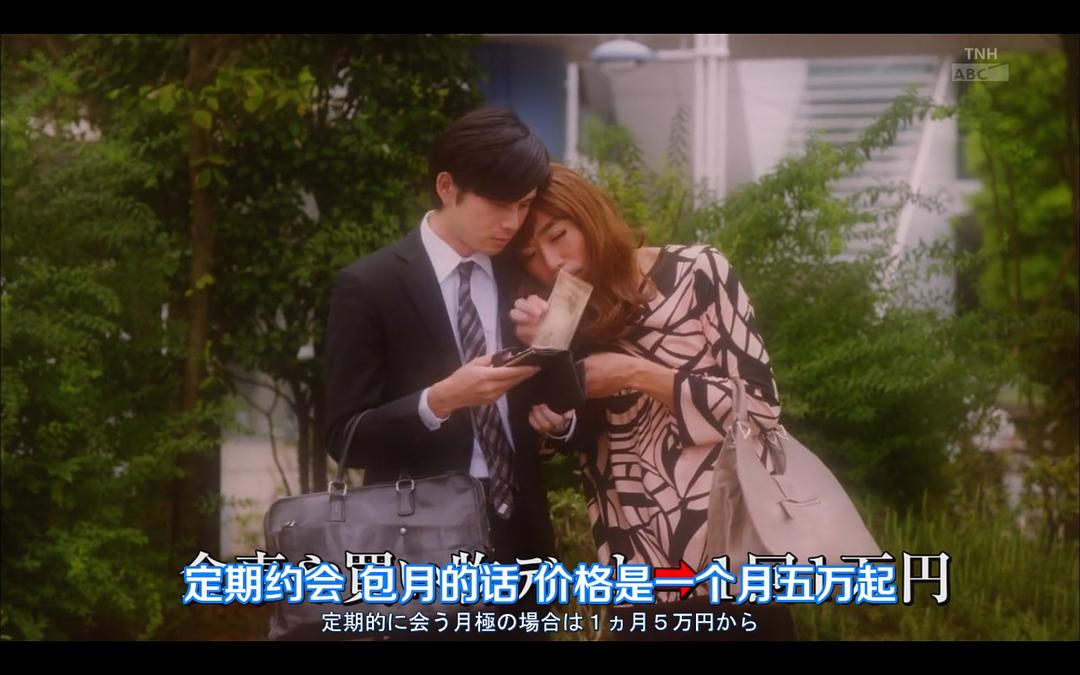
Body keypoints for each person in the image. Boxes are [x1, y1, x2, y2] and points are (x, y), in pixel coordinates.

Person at [510, 164, 796, 640]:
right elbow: (553, 436)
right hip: (637, 573)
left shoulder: (699, 271)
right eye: (530, 256)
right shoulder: (556, 314)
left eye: (558, 236)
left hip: (736, 563)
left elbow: (760, 406)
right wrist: (550, 354)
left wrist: (635, 373)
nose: (552, 261)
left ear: (589, 216)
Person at [323, 107, 561, 587]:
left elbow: (560, 402)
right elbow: (345, 436)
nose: (512, 222)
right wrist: (440, 400)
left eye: (524, 205)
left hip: (523, 535)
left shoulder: (524, 272)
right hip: (418, 536)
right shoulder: (370, 286)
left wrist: (556, 367)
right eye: (498, 204)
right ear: (448, 187)